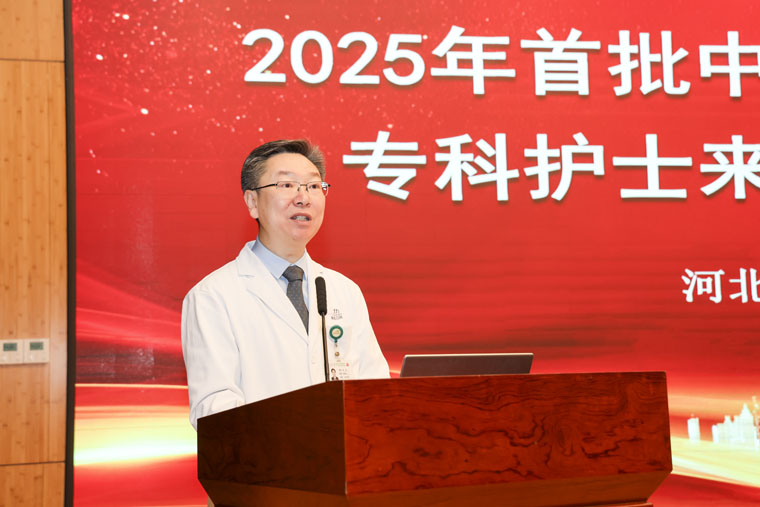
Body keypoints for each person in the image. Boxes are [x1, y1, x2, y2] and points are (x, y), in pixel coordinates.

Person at [181, 139, 390, 431]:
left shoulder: (345, 291)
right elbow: (214, 411)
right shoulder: (213, 297)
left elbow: (376, 393)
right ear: (252, 202)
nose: (303, 198)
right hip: (263, 459)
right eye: (286, 185)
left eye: (314, 186)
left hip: (346, 457)